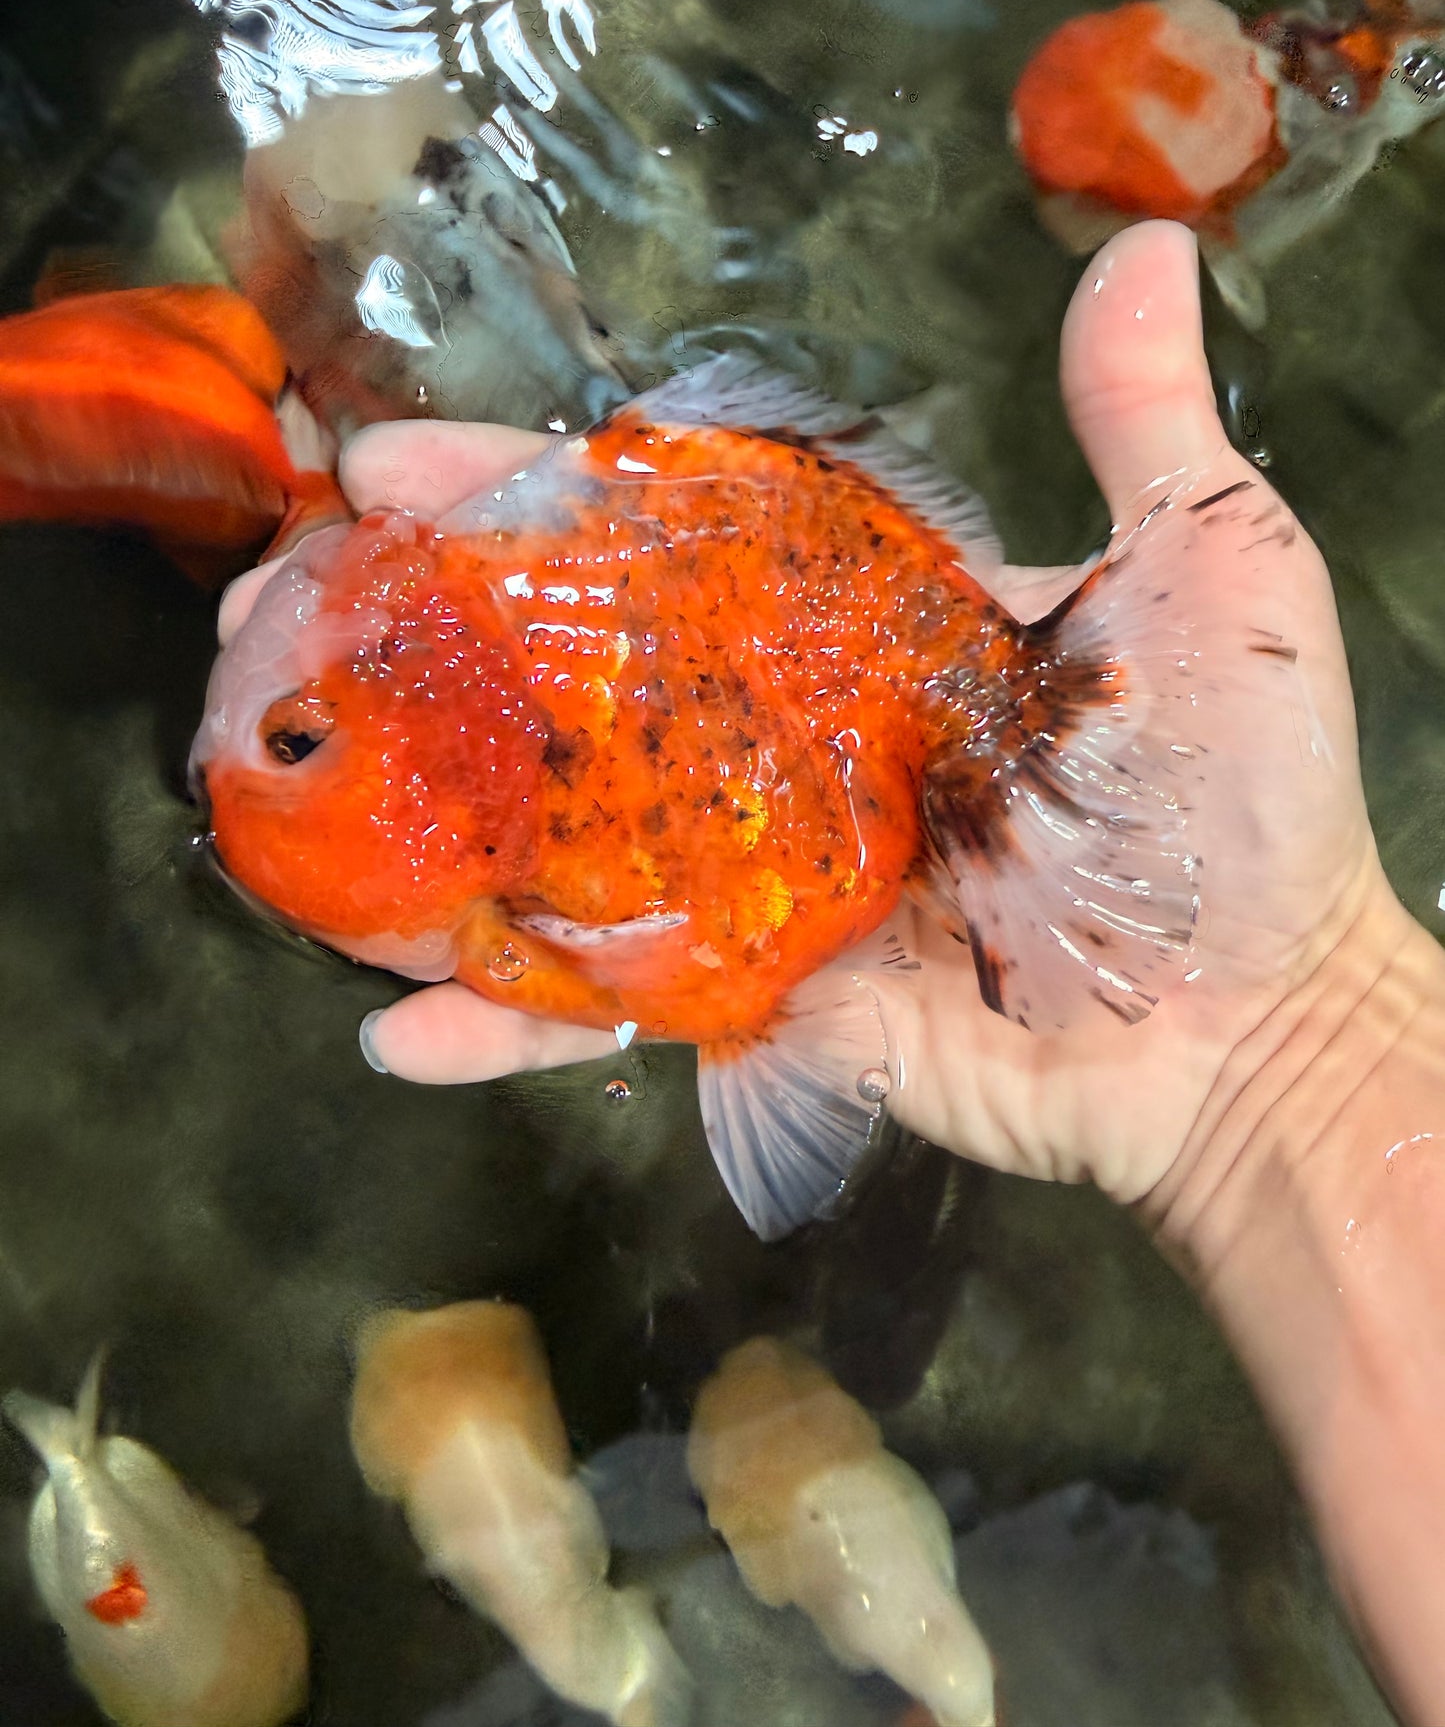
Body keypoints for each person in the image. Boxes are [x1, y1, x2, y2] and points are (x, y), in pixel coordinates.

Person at [219, 220, 1445, 1727]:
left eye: (291, 745)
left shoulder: (516, 755)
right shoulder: (507, 748)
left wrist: (1285, 1033)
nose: (246, 772)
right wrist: (1291, 1059)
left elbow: (655, 942)